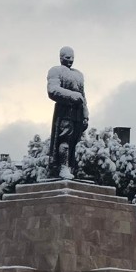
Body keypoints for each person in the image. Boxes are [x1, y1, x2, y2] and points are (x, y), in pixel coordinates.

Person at [46, 46, 88, 179]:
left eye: (72, 58)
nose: (70, 61)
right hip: (65, 110)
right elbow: (52, 90)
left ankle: (70, 167)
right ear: (61, 57)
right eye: (67, 58)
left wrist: (86, 115)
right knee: (64, 139)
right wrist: (72, 96)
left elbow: (83, 96)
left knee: (74, 141)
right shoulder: (55, 71)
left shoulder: (79, 74)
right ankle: (62, 167)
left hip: (78, 112)